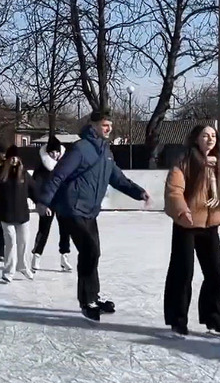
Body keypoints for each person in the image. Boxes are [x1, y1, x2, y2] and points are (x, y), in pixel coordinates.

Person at [36, 108, 150, 322]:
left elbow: (117, 178)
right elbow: (58, 175)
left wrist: (138, 192)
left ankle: (93, 297)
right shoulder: (80, 149)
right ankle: (86, 300)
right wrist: (43, 201)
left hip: (89, 211)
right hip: (71, 209)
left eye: (110, 125)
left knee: (93, 252)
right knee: (89, 250)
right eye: (105, 125)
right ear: (94, 125)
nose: (109, 129)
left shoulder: (106, 151)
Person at [163, 125, 220, 338]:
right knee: (183, 272)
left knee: (215, 273)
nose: (210, 139)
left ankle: (214, 319)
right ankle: (178, 319)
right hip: (187, 225)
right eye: (205, 135)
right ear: (196, 139)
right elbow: (174, 192)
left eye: (213, 135)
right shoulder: (184, 163)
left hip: (210, 226)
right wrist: (182, 211)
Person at [0, 145, 39, 283]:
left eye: (16, 157)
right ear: (7, 158)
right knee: (10, 242)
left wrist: (41, 203)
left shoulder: (24, 174)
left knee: (23, 242)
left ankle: (22, 266)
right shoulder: (0, 173)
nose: (14, 160)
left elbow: (34, 190)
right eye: (12, 157)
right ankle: (8, 271)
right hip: (5, 215)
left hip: (22, 214)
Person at [30, 136, 72, 272]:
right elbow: (35, 185)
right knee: (44, 229)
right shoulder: (42, 167)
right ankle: (36, 255)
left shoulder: (65, 164)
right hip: (47, 203)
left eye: (57, 152)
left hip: (62, 202)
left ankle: (64, 257)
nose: (55, 155)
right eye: (52, 152)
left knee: (65, 230)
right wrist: (41, 203)